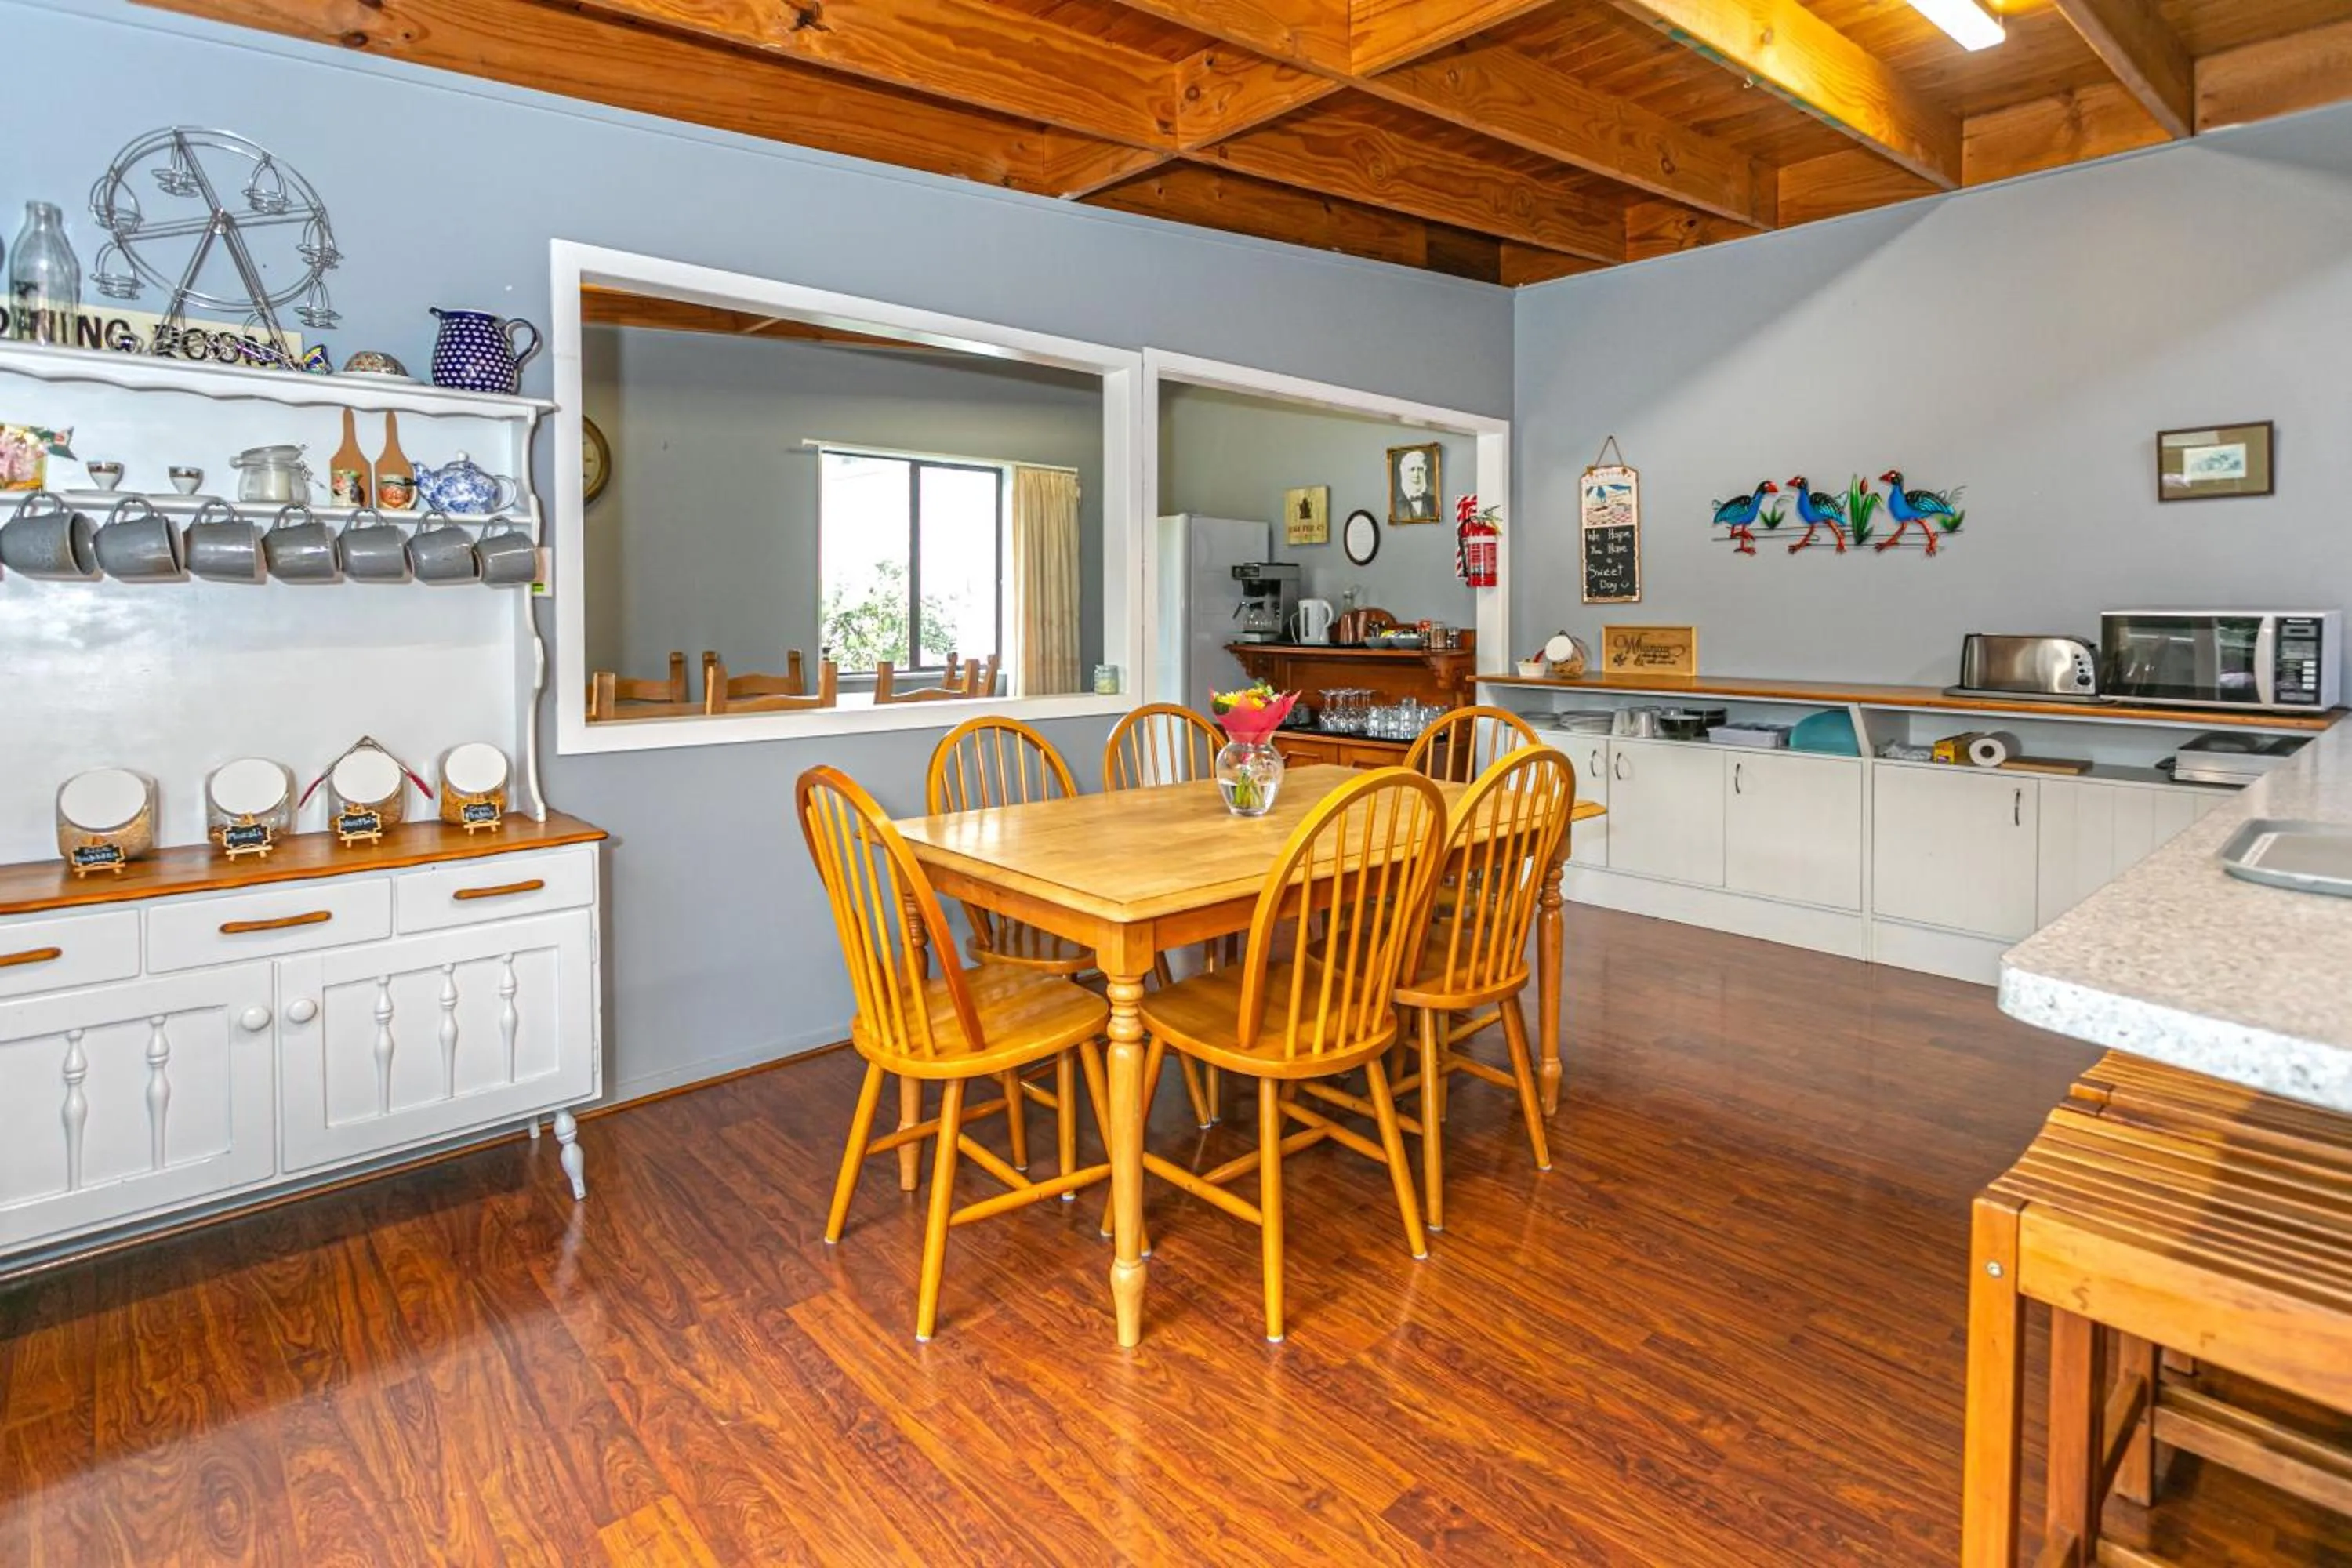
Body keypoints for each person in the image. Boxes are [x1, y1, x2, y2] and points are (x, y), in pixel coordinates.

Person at [1393, 446, 1436, 523]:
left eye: (1420, 469)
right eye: (1412, 469)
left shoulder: (1434, 501)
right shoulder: (1395, 506)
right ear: (1404, 473)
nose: (1417, 475)